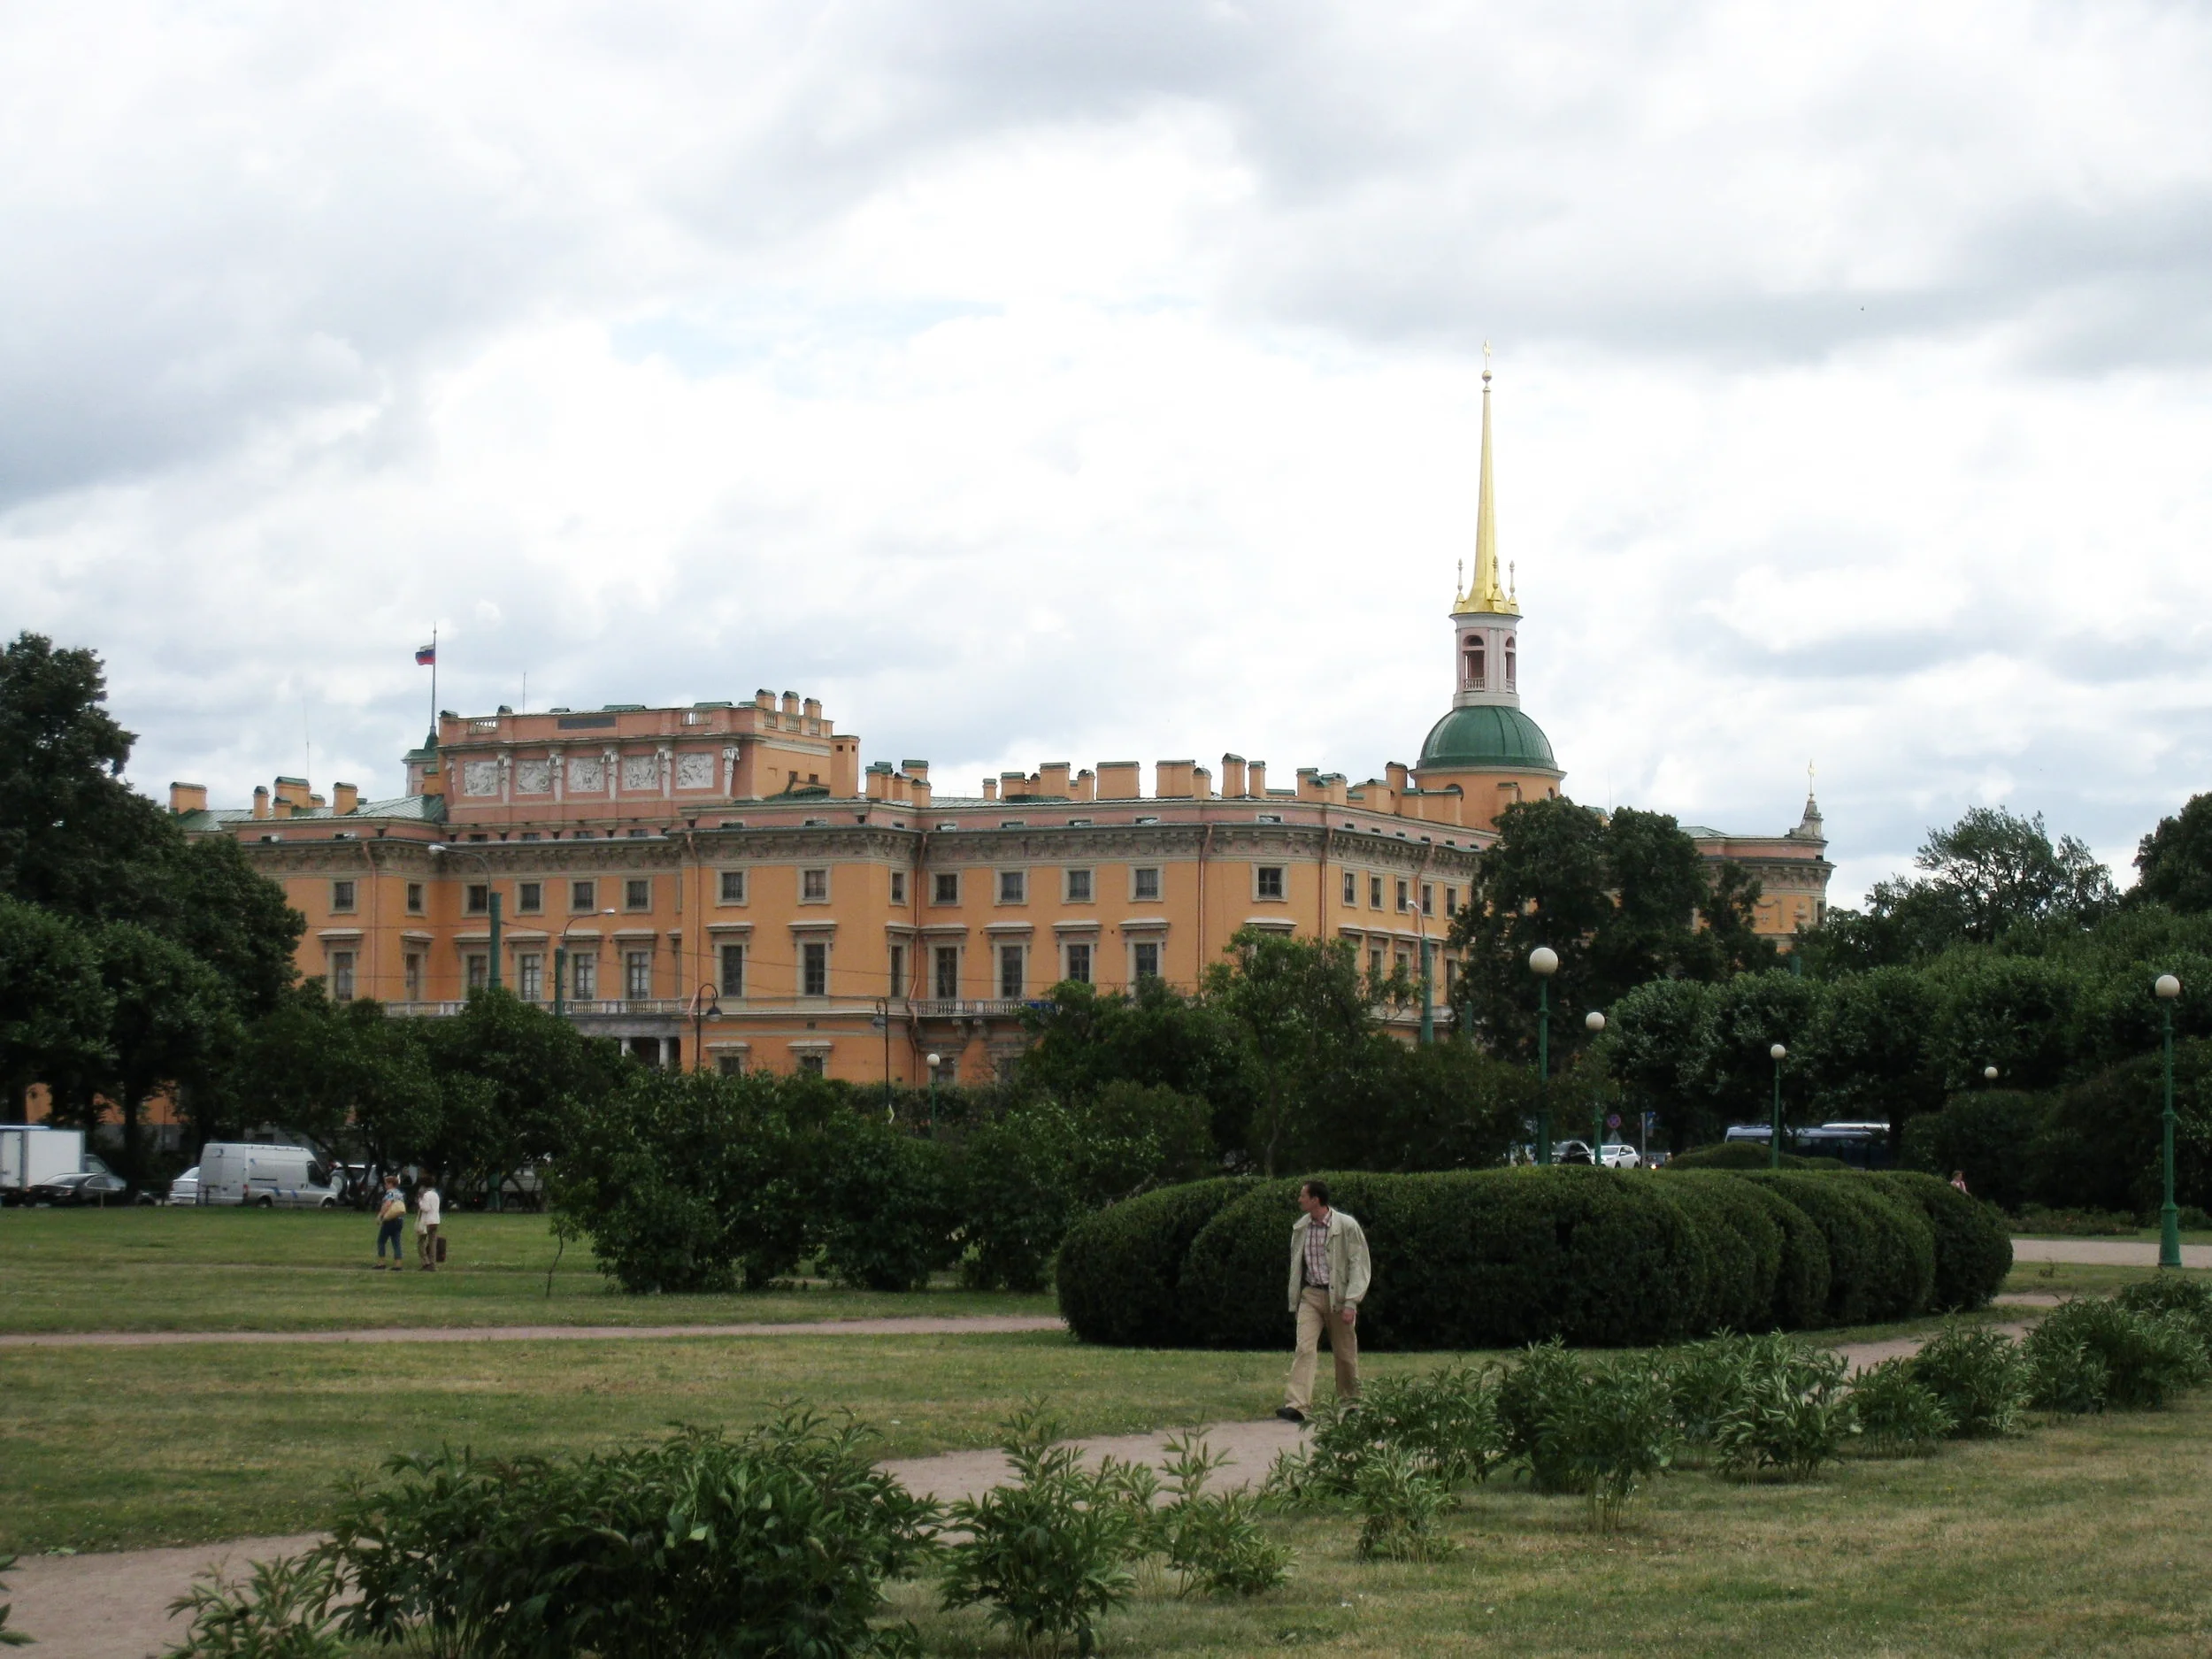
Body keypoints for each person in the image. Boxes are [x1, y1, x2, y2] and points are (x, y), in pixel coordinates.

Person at [1275, 1179, 1370, 1425]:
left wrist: (1351, 1302)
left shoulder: (1347, 1226)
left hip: (1339, 1297)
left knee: (1345, 1353)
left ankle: (1351, 1404)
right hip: (1311, 1295)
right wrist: (1295, 1300)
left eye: (1303, 1196)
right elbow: (1297, 1267)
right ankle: (1297, 1405)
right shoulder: (1301, 1228)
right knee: (1304, 1348)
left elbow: (1359, 1265)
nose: (1299, 1199)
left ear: (1315, 1199)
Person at [373, 1176, 405, 1269]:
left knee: (381, 1241)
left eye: (386, 1183)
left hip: (390, 1220)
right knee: (396, 1242)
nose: (385, 1185)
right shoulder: (400, 1193)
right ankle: (398, 1264)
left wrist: (380, 1215)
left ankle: (381, 1263)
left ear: (391, 1184)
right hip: (399, 1220)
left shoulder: (390, 1193)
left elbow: (388, 1204)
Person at [415, 1178, 442, 1272]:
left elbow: (426, 1208)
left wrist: (420, 1200)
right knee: (432, 1243)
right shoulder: (436, 1194)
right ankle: (433, 1264)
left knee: (421, 1242)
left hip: (427, 1221)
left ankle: (425, 1262)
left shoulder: (426, 1195)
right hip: (435, 1220)